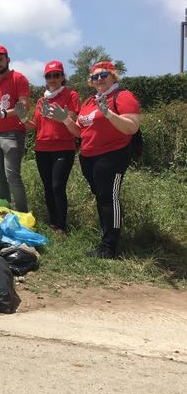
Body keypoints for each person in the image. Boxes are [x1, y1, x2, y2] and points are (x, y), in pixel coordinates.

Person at [52, 61, 140, 258]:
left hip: (113, 155)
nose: (99, 79)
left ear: (113, 76)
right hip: (89, 157)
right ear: (90, 81)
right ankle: (106, 238)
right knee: (101, 197)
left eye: (103, 75)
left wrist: (108, 113)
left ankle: (110, 247)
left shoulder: (122, 96)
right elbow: (80, 131)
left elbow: (132, 127)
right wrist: (65, 119)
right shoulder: (90, 102)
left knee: (109, 198)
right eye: (94, 77)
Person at [14, 61, 79, 233]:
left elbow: (71, 120)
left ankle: (61, 225)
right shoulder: (42, 100)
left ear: (63, 77)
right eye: (49, 76)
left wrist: (61, 117)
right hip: (42, 149)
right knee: (48, 186)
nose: (52, 79)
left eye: (56, 75)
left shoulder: (70, 95)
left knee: (58, 186)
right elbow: (35, 125)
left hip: (63, 148)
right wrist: (22, 119)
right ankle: (53, 222)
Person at [0, 45, 31, 212]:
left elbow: (24, 106)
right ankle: (5, 210)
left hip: (13, 134)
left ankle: (22, 213)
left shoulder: (19, 79)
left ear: (8, 60)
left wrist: (4, 114)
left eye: (0, 60)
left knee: (12, 176)